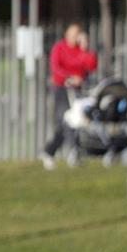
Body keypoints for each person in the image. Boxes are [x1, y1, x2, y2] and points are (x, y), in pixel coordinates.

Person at [41, 23, 98, 170]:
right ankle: (53, 151)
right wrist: (69, 77)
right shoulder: (59, 48)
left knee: (78, 120)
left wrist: (85, 47)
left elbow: (91, 65)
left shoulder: (81, 50)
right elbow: (55, 68)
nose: (74, 38)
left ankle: (70, 152)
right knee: (66, 120)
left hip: (78, 90)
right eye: (72, 35)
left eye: (77, 35)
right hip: (61, 88)